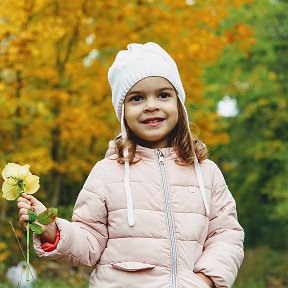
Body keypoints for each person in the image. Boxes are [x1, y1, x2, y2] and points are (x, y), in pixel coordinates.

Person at [18, 42, 244, 288]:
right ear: (122, 111)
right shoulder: (106, 172)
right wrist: (52, 231)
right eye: (137, 98)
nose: (151, 105)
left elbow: (226, 235)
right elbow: (89, 242)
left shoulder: (206, 172)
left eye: (163, 95)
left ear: (179, 103)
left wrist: (206, 280)